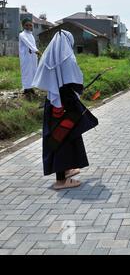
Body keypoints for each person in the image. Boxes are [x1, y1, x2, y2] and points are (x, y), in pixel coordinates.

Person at [32, 30, 98, 190]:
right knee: (61, 139)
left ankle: (66, 170)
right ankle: (61, 181)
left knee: (65, 137)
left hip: (55, 102)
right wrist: (79, 90)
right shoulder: (67, 58)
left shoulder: (49, 56)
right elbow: (74, 80)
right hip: (64, 105)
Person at [18, 18, 41, 98]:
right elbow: (28, 44)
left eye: (30, 25)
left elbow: (33, 45)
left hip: (32, 57)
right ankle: (26, 89)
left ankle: (31, 88)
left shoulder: (31, 35)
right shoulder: (22, 35)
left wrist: (36, 52)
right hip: (26, 57)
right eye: (26, 25)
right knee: (26, 72)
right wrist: (36, 51)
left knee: (33, 71)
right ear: (23, 26)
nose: (28, 27)